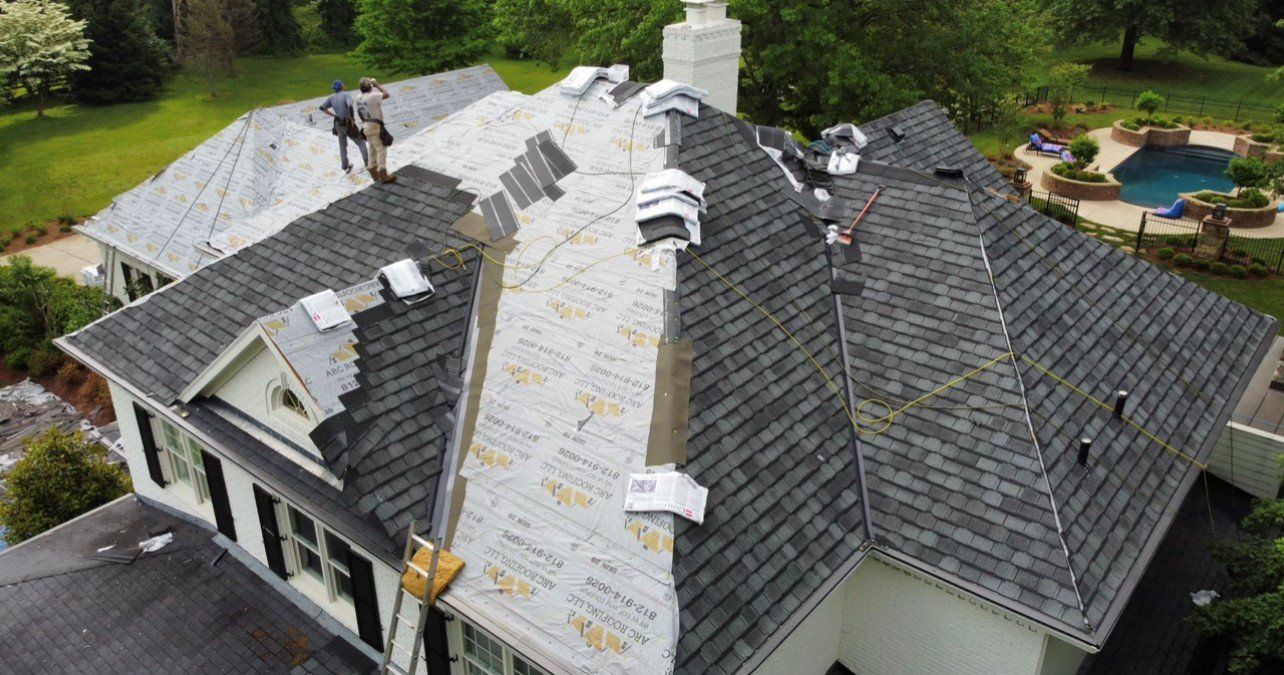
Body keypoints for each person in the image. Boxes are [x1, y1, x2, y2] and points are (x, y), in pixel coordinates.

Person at [318, 80, 367, 174]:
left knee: (342, 146)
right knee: (360, 142)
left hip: (337, 123)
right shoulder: (346, 95)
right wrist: (352, 119)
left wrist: (333, 115)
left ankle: (345, 167)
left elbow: (322, 107)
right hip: (348, 122)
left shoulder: (331, 97)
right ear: (341, 86)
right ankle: (367, 162)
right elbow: (350, 106)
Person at [356, 77, 394, 184]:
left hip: (366, 126)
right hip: (375, 126)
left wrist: (364, 122)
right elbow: (386, 94)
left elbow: (359, 112)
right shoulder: (373, 96)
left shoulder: (358, 97)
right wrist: (376, 84)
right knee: (381, 149)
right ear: (369, 87)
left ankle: (372, 168)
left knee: (372, 147)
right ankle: (383, 173)